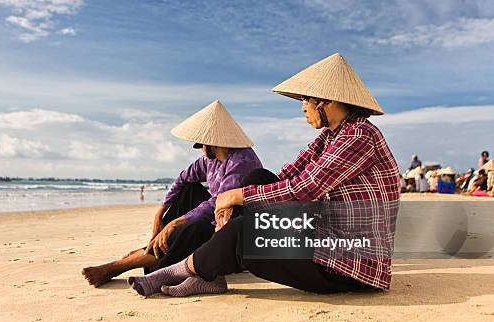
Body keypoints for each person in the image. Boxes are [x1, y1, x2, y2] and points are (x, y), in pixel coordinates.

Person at [129, 53, 400, 297]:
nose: (302, 106)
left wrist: (236, 196)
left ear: (326, 101)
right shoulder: (329, 137)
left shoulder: (359, 135)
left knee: (244, 231)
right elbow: (286, 175)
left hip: (349, 264)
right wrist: (231, 199)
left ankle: (181, 270)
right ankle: (210, 273)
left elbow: (306, 189)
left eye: (306, 99)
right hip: (325, 239)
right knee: (257, 178)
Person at [81, 100, 262, 287]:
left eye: (201, 144)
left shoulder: (242, 160)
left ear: (211, 142)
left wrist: (176, 223)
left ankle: (118, 266)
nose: (201, 148)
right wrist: (159, 216)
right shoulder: (209, 160)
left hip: (237, 224)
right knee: (188, 190)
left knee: (192, 227)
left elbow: (219, 201)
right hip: (216, 216)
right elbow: (182, 179)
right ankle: (158, 245)